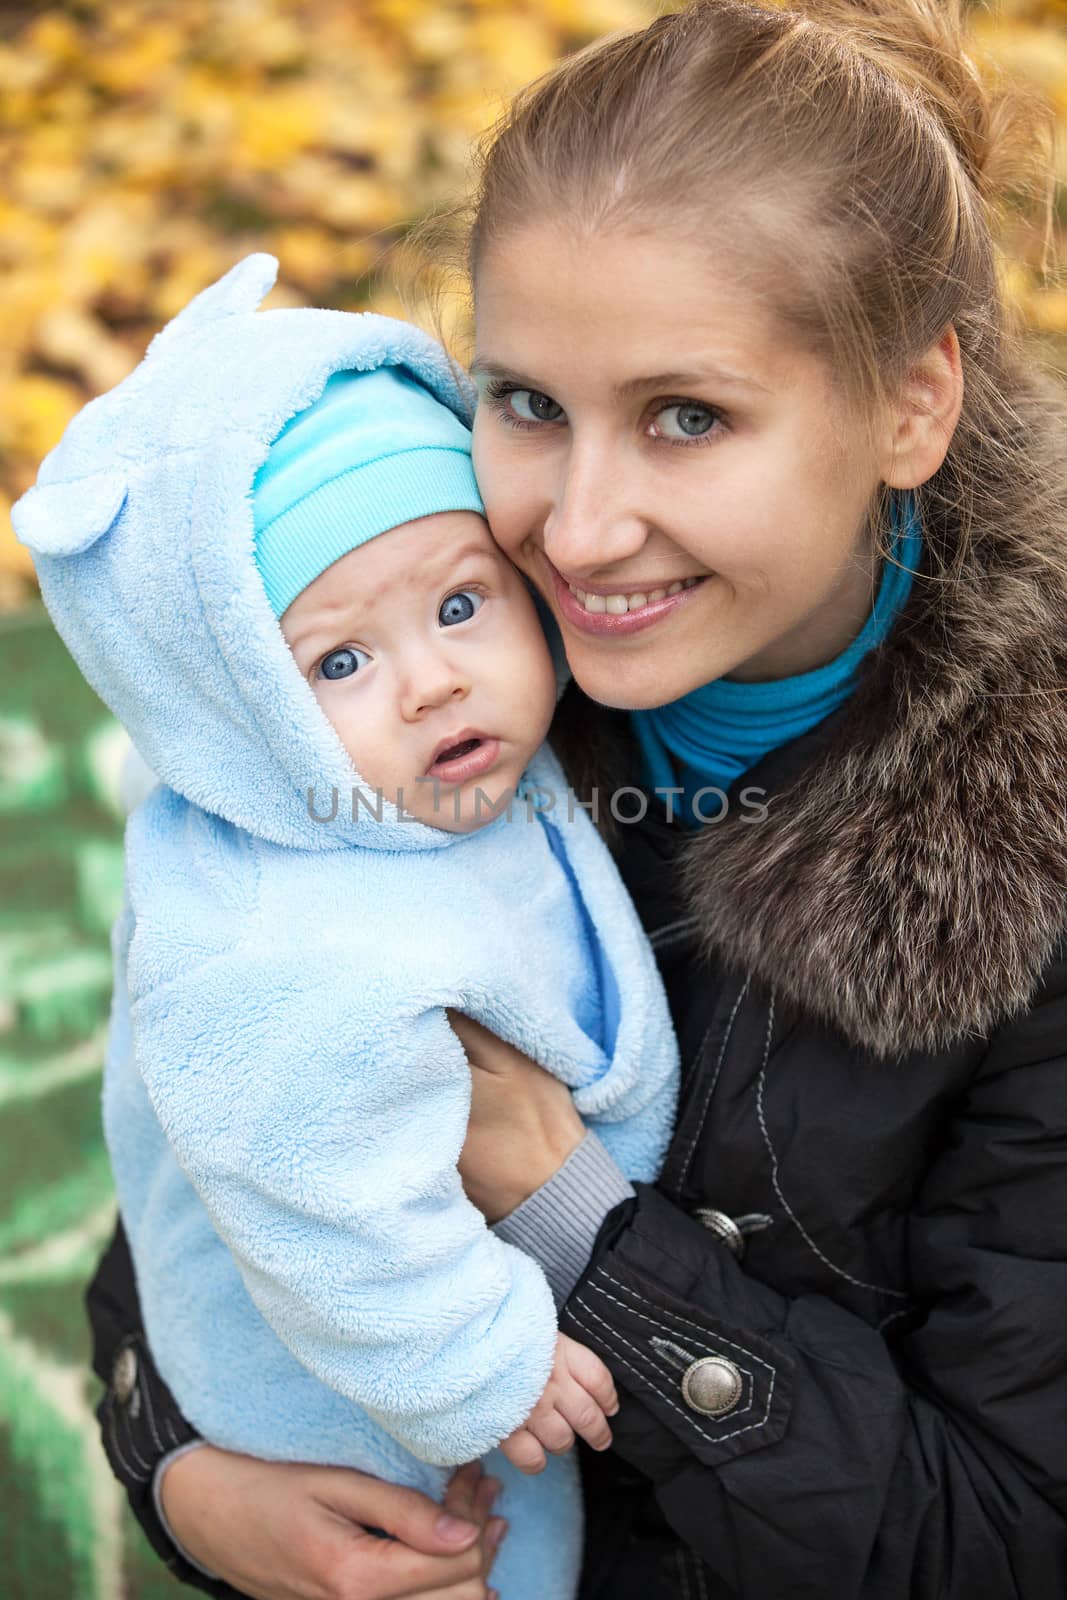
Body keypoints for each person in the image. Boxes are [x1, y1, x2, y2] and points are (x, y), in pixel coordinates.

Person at [82, 0, 1067, 1595]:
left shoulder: (1036, 865)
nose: (581, 531)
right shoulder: (419, 679)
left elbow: (1010, 1536)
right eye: (528, 404)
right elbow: (210, 1128)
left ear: (911, 406)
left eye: (688, 416)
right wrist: (184, 1463)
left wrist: (573, 1219)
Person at [11, 270, 682, 1600]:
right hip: (353, 1391)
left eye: (459, 604)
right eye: (338, 662)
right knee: (474, 1565)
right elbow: (309, 1177)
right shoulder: (276, 939)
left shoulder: (422, 779)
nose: (433, 676)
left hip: (483, 1305)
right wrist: (475, 1357)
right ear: (240, 710)